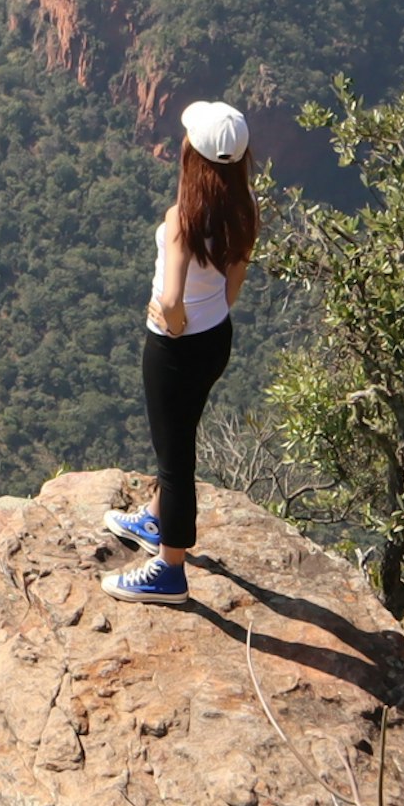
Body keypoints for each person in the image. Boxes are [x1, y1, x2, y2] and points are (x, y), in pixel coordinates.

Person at [106, 99, 258, 601]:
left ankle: (169, 569)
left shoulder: (182, 220)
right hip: (216, 339)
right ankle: (155, 517)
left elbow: (171, 298)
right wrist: (207, 313)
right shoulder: (245, 208)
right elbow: (234, 278)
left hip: (176, 349)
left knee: (174, 457)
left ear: (195, 155)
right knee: (181, 435)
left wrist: (170, 323)